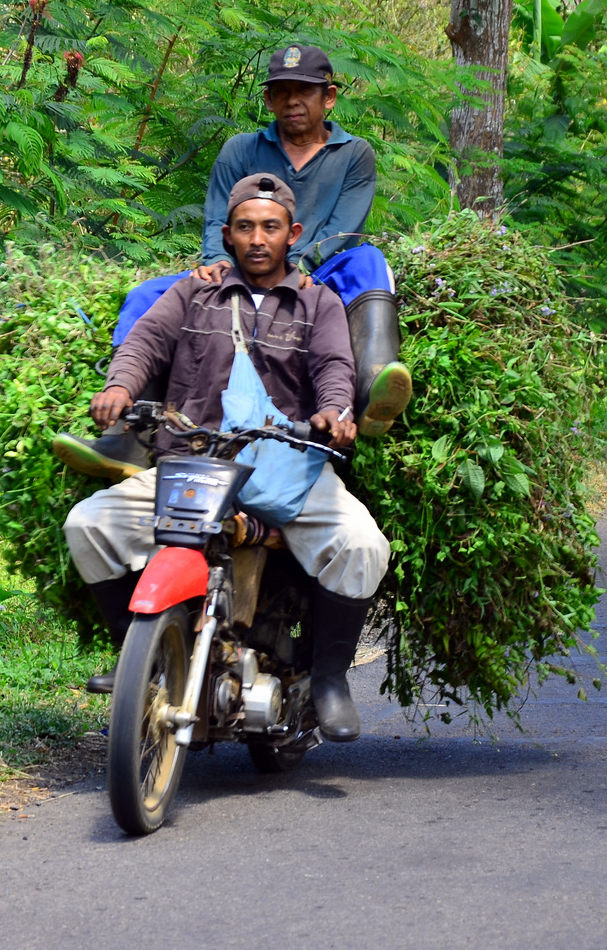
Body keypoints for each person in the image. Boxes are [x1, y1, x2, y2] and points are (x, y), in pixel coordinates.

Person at [62, 173, 391, 742]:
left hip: (290, 467)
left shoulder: (320, 302)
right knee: (88, 524)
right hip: (196, 460)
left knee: (362, 546)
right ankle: (137, 655)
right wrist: (120, 386)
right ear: (227, 235)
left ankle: (332, 680)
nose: (258, 239)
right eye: (245, 227)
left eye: (270, 227)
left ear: (294, 233)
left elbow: (335, 368)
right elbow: (145, 343)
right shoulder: (194, 292)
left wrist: (336, 410)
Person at [53, 44, 411, 482]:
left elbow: (344, 228)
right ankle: (128, 426)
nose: (292, 101)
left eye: (305, 91)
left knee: (370, 261)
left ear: (329, 97)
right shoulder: (241, 149)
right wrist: (217, 261)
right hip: (240, 269)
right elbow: (217, 220)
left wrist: (294, 273)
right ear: (268, 100)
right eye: (282, 92)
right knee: (146, 294)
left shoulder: (354, 154)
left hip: (318, 272)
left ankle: (373, 389)